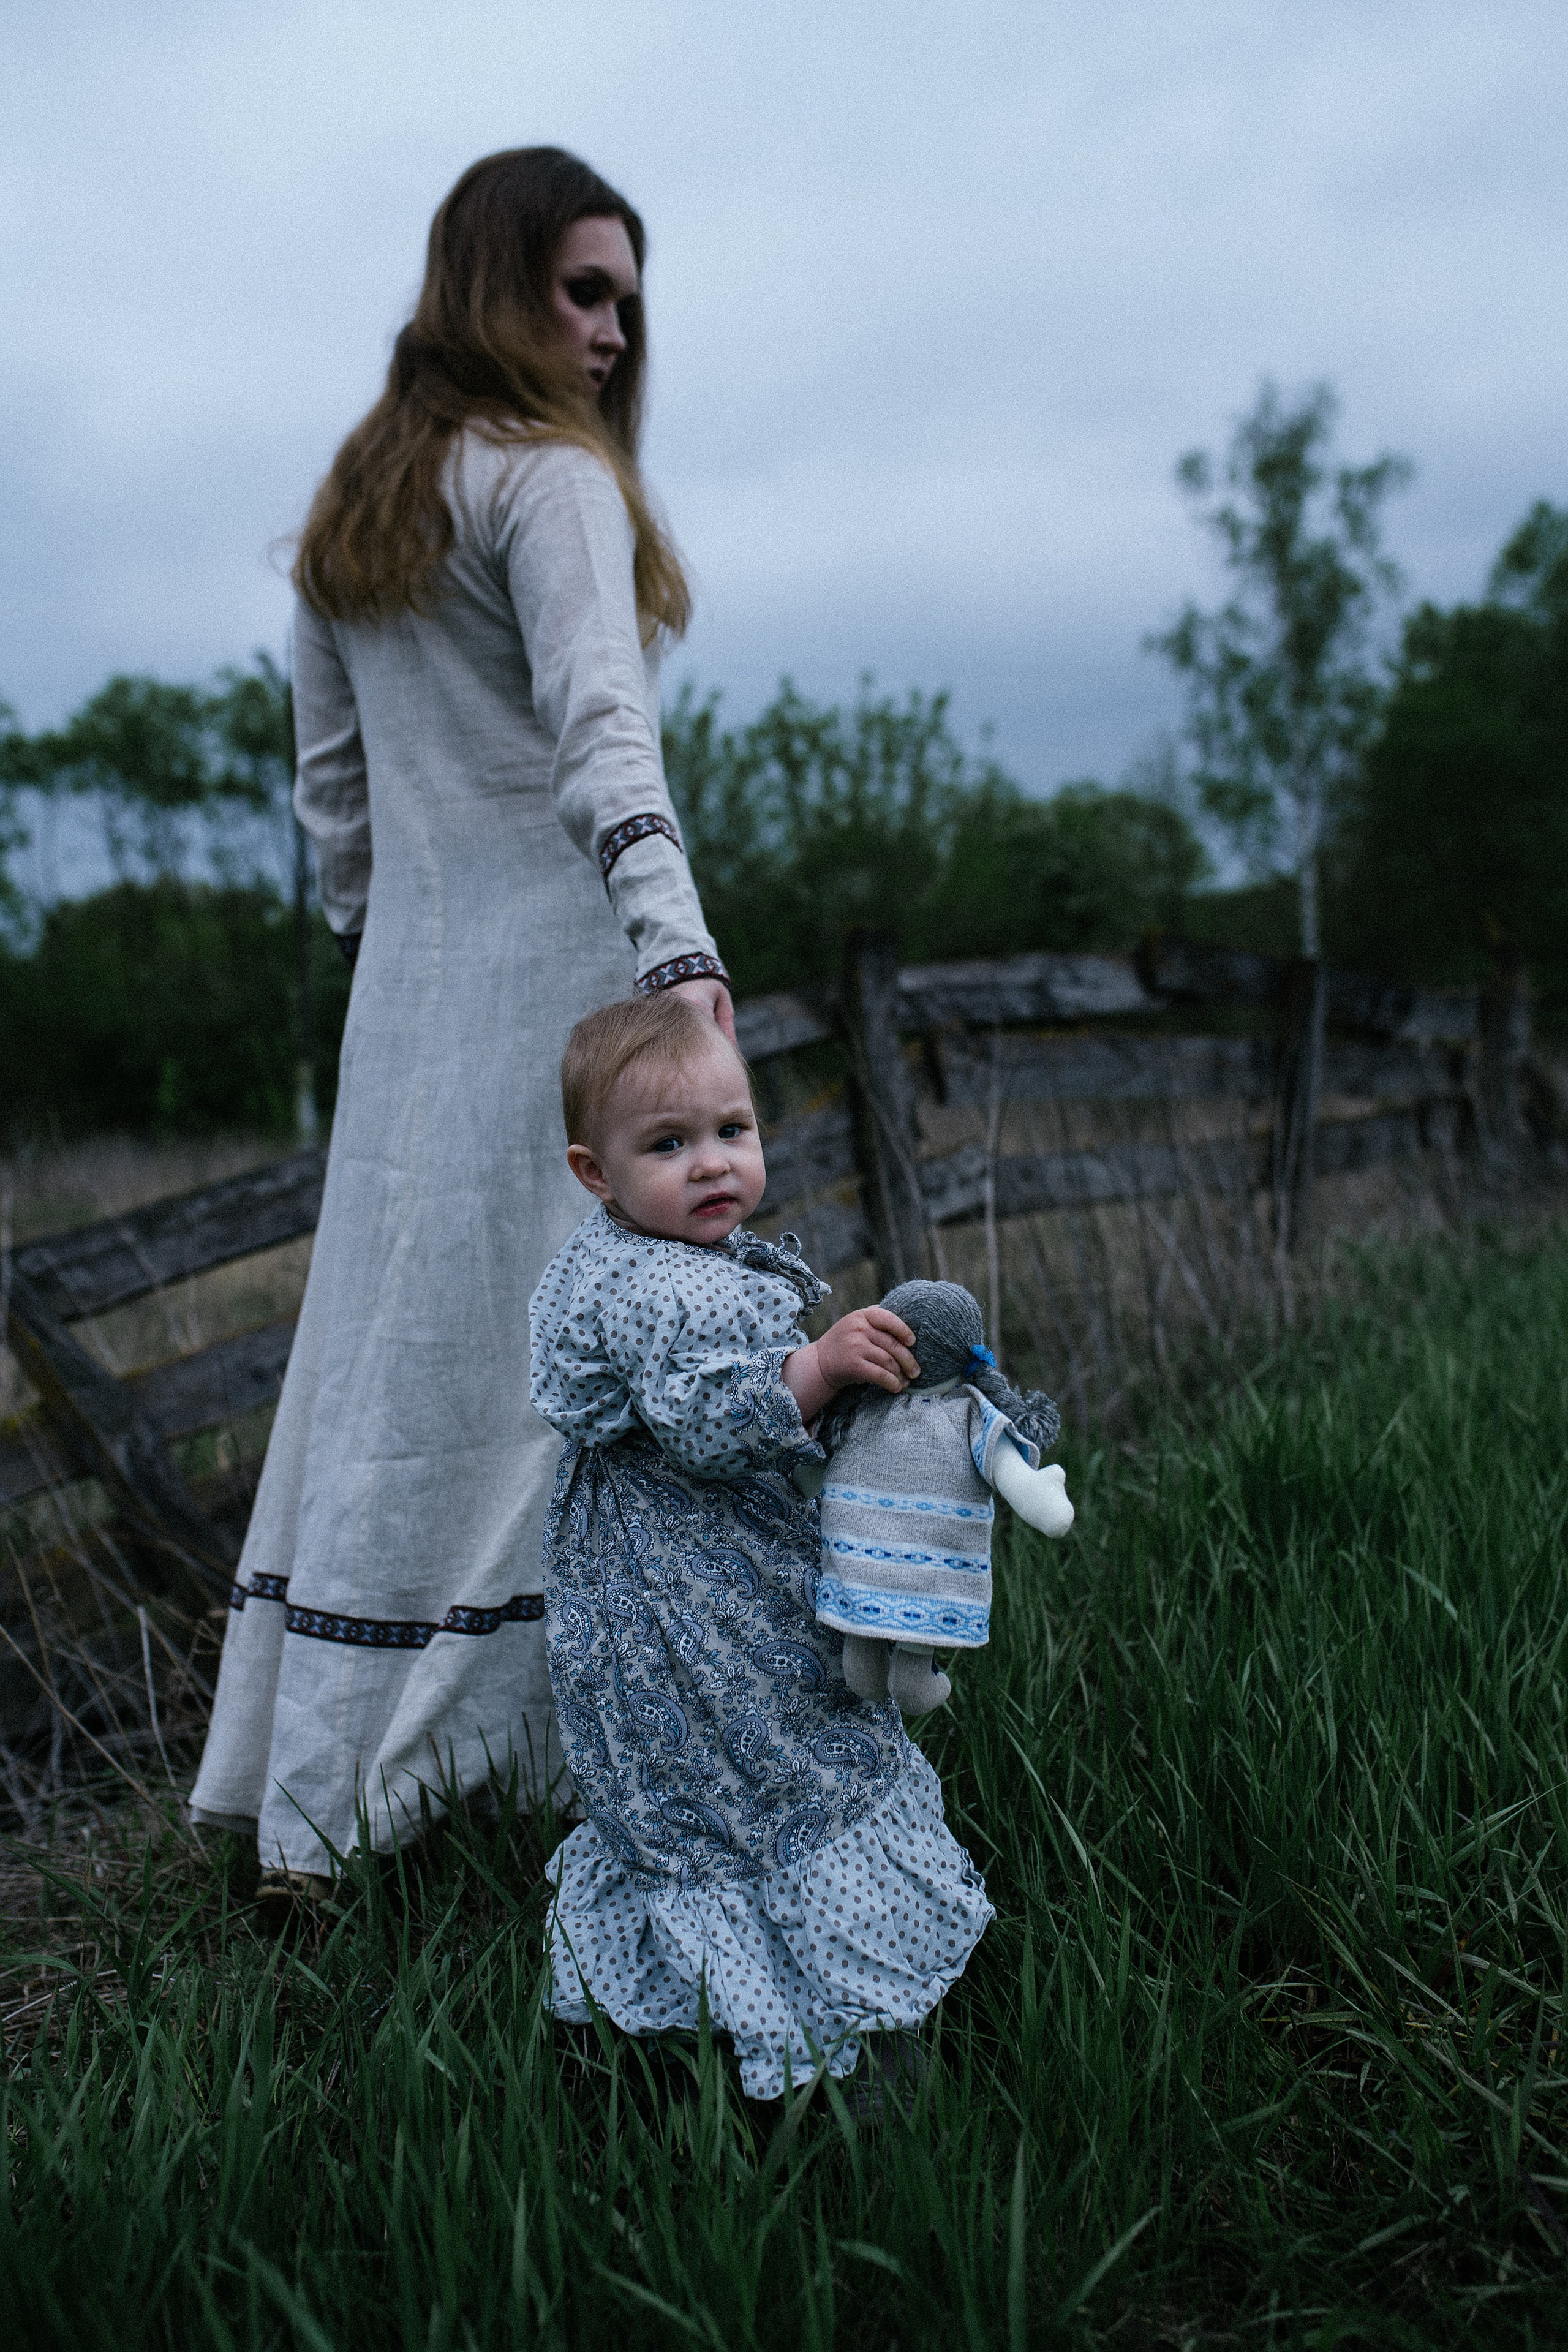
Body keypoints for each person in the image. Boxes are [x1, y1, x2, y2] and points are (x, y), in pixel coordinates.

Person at [190, 148, 731, 1887]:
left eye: (629, 301)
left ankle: (345, 1810)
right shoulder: (549, 483)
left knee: (409, 1380)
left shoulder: (360, 515)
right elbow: (601, 735)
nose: (612, 332)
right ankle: (556, 1792)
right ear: (495, 283)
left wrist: (397, 969)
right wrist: (677, 951)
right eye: (584, 290)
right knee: (563, 1373)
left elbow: (333, 813)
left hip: (413, 1012)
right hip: (569, 990)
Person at [529, 993, 996, 2108]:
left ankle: (710, 2027)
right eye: (668, 1145)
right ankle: (832, 2041)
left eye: (733, 1131)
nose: (712, 1166)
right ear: (596, 1173)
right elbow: (709, 1418)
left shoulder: (643, 1255)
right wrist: (823, 1368)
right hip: (691, 1603)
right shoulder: (659, 1287)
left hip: (660, 1572)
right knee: (776, 1757)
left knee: (725, 1774)